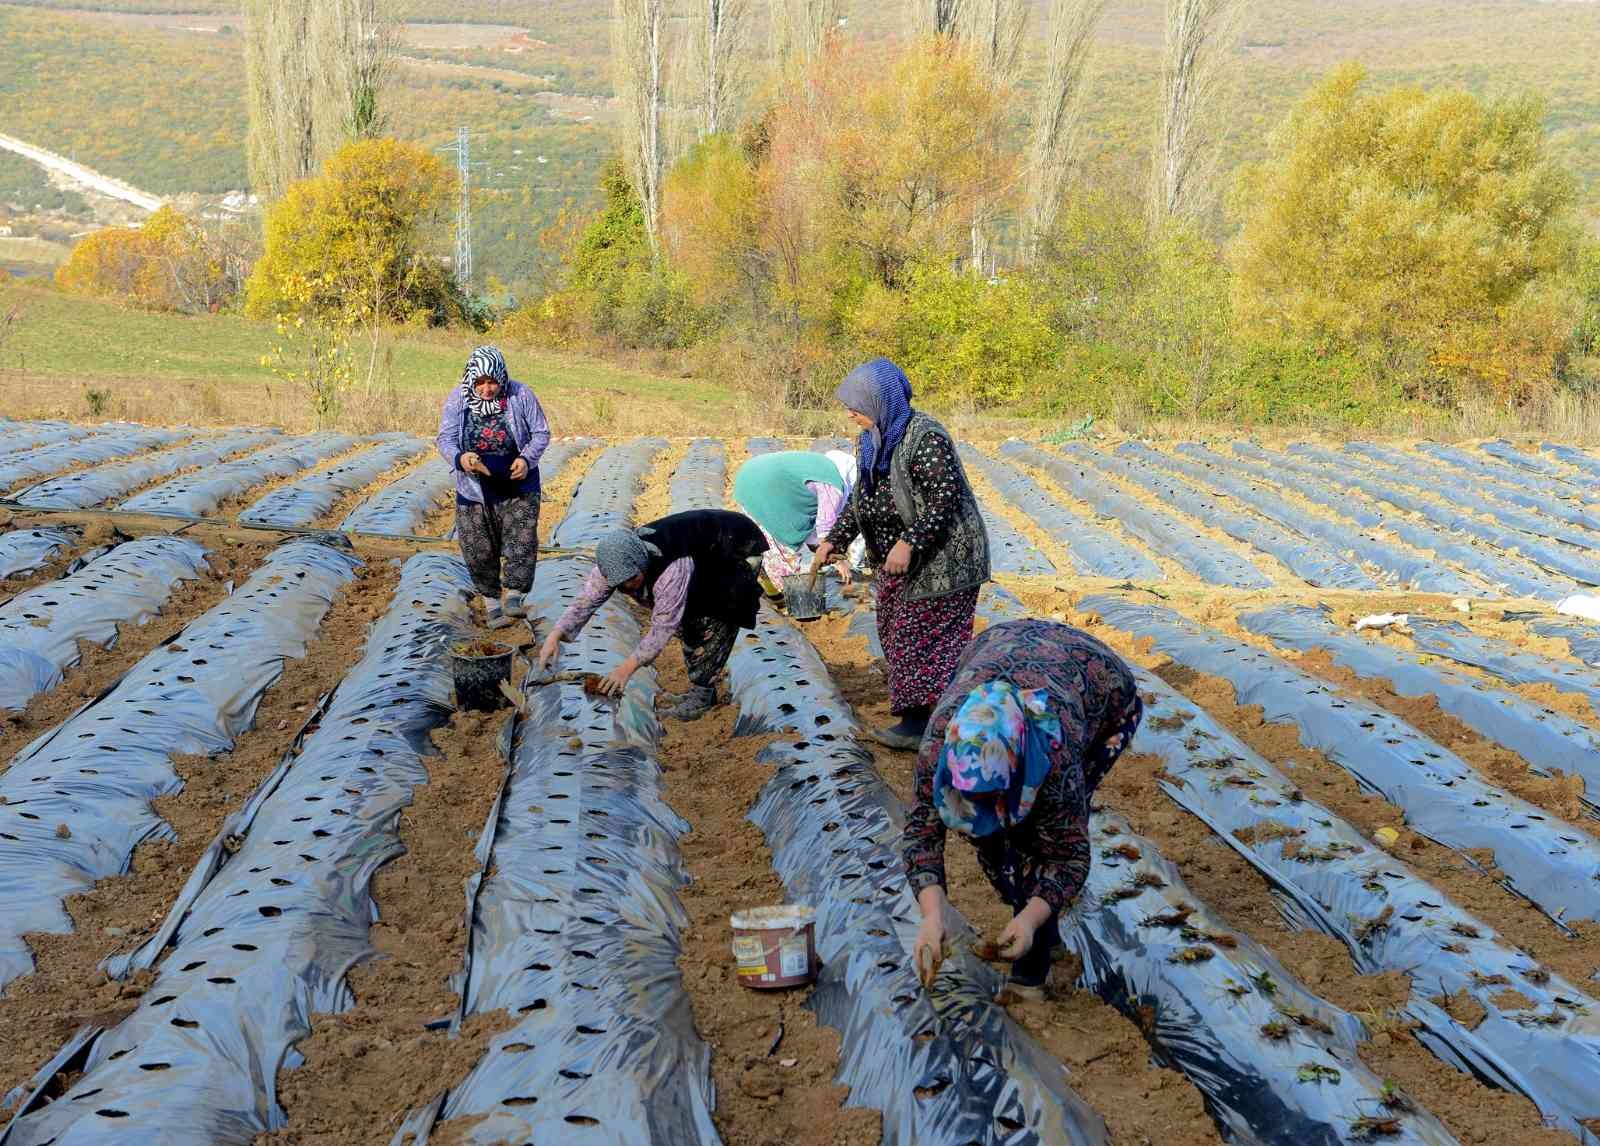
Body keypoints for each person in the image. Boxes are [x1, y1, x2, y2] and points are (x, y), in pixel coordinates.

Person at [904, 619, 1143, 998]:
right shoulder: (938, 748)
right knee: (994, 844)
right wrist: (933, 916)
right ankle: (1038, 927)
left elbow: (1068, 856)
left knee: (1034, 840)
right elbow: (921, 835)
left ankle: (1034, 960)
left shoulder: (1054, 759)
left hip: (1104, 691)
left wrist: (1029, 919)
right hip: (1004, 643)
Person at [812, 357, 990, 749]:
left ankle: (922, 726)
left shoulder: (925, 437)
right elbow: (863, 498)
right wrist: (835, 540)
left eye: (857, 404)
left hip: (945, 558)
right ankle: (932, 718)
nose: (850, 412)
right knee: (893, 630)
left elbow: (945, 499)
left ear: (881, 401)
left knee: (918, 636)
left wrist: (909, 542)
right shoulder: (871, 440)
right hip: (900, 560)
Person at [537, 508, 767, 721]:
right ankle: (700, 689)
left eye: (632, 579)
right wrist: (555, 635)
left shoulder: (671, 566)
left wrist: (624, 670)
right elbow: (585, 602)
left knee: (711, 619)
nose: (628, 587)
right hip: (707, 551)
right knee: (687, 623)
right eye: (621, 584)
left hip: (736, 547)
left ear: (642, 563)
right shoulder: (610, 565)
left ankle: (703, 696)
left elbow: (663, 626)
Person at [436, 346, 551, 630]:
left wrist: (526, 459)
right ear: (471, 380)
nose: (487, 389)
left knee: (520, 539)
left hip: (518, 482)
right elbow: (445, 438)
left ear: (502, 377)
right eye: (481, 383)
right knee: (478, 547)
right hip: (474, 486)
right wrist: (460, 458)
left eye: (492, 382)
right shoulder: (458, 399)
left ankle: (514, 594)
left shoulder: (520, 394)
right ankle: (491, 603)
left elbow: (541, 432)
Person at [732, 448, 858, 588]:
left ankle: (772, 596)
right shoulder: (833, 485)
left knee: (759, 547)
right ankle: (788, 598)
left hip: (748, 479)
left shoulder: (821, 467)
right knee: (785, 566)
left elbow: (816, 530)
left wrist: (824, 553)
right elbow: (826, 532)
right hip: (764, 491)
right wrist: (839, 561)